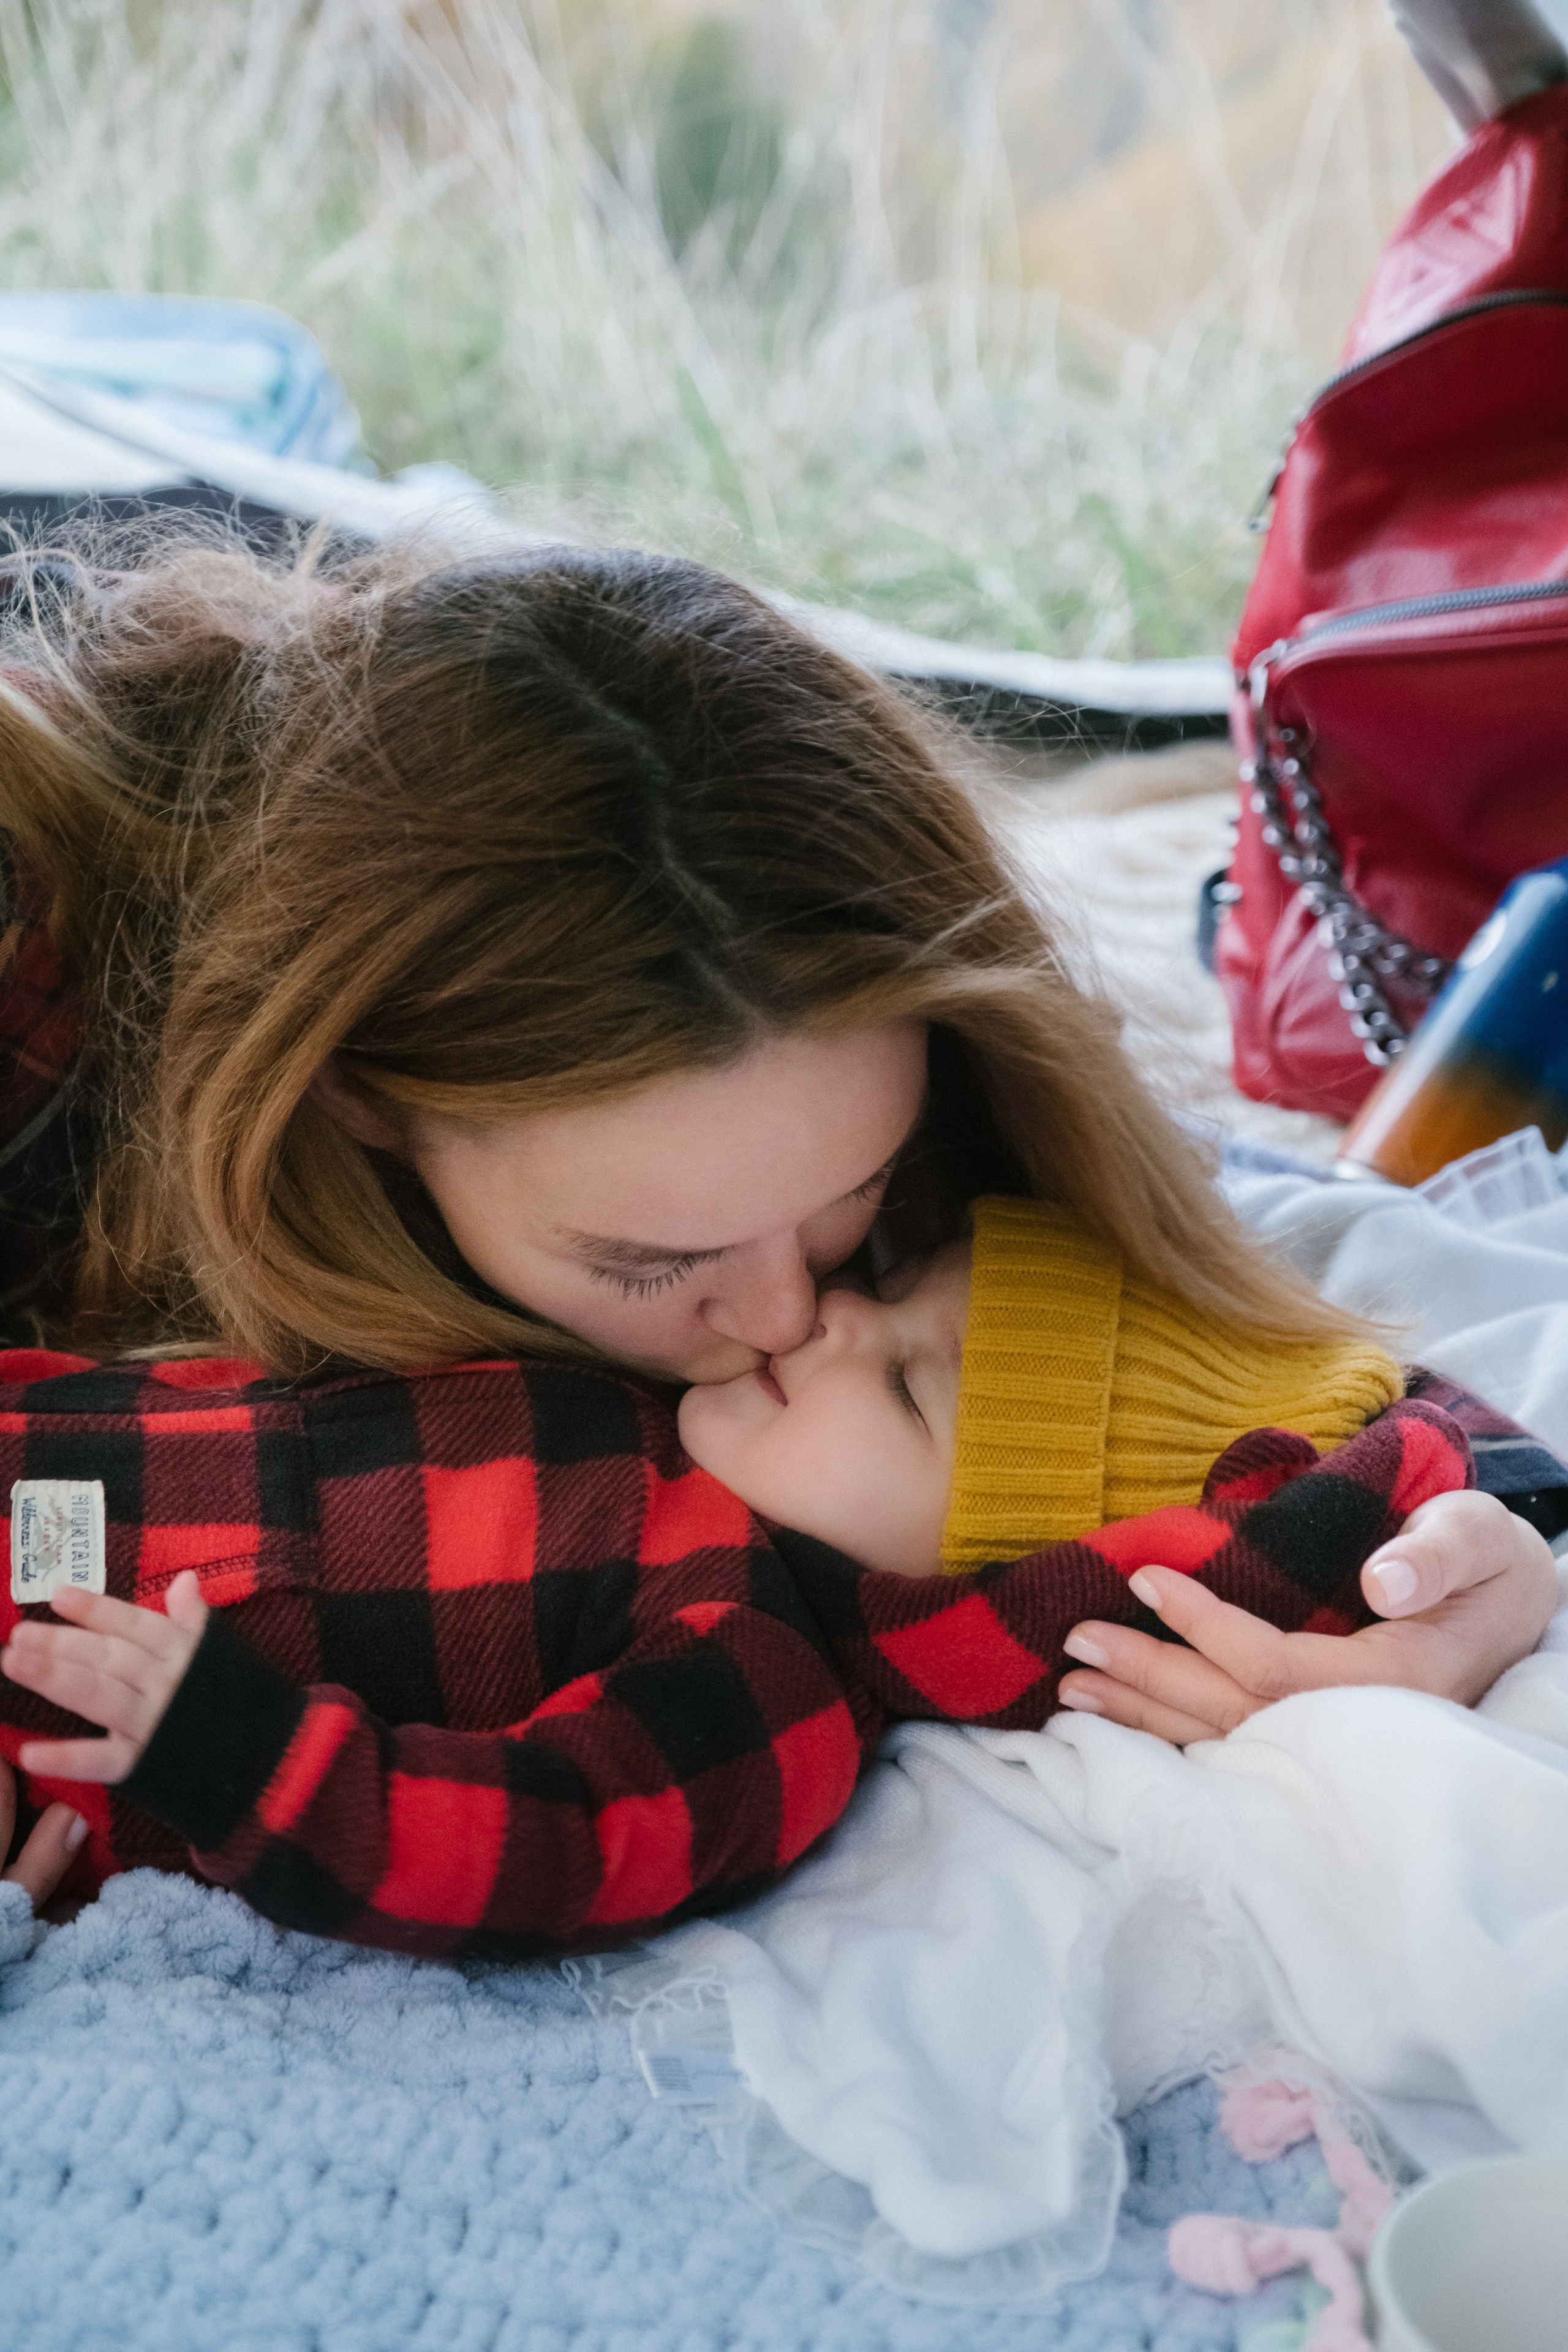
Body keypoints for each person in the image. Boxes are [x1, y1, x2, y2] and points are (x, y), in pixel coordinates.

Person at [0, 534, 1553, 1932]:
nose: (789, 1315)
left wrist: (1491, 1532)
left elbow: (1223, 1267)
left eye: (852, 1209)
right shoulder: (45, 1021)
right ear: (357, 1101)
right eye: (648, 1265)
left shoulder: (841, 1059)